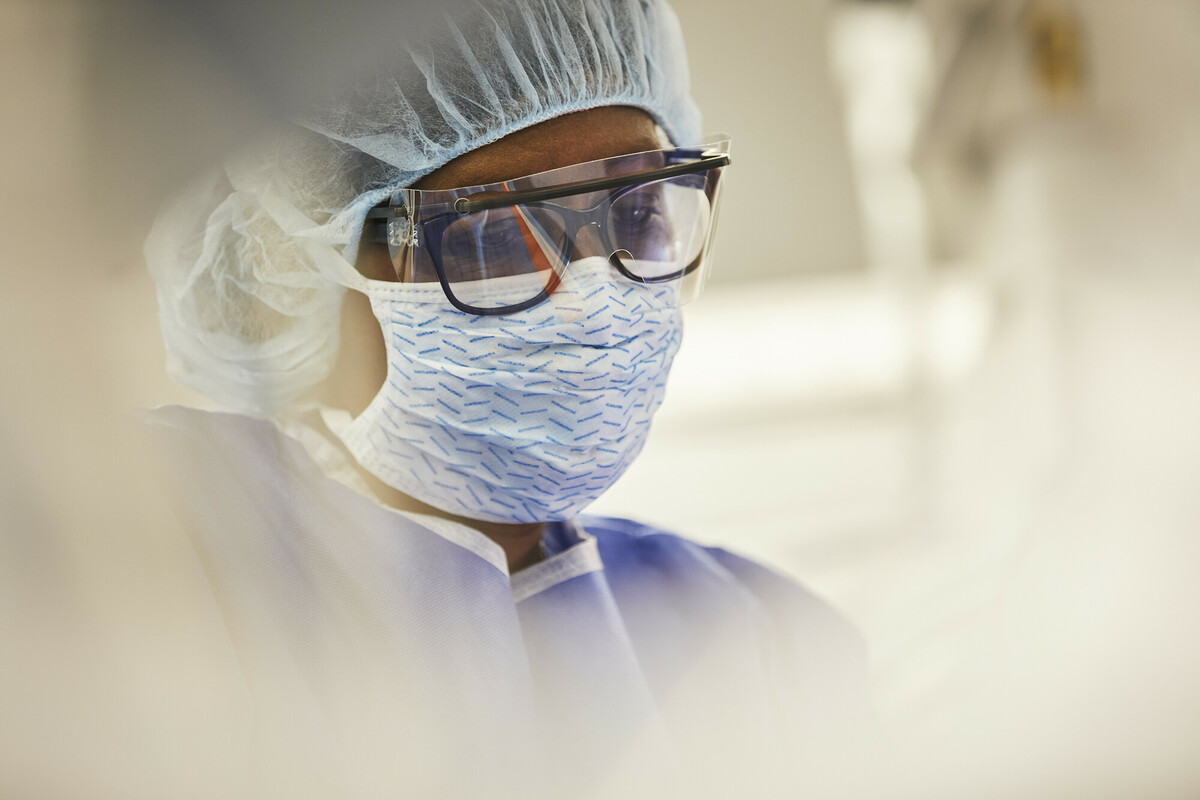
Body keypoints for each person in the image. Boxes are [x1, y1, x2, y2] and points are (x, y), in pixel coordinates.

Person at [144, 1, 870, 796]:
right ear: (295, 271)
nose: (595, 294)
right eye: (495, 233)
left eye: (637, 211)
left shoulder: (767, 647)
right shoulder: (152, 558)